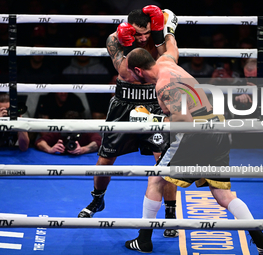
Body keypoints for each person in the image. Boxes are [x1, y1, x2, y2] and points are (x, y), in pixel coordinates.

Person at [124, 34, 263, 254]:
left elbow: (184, 120)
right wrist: (167, 30)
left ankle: (144, 240)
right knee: (222, 193)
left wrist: (152, 119)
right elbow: (172, 47)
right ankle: (261, 239)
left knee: (155, 179)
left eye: (130, 74)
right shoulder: (166, 62)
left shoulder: (164, 86)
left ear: (138, 70)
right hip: (217, 126)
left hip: (196, 133)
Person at [77, 6, 180, 238]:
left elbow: (169, 61)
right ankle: (97, 201)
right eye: (138, 34)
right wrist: (126, 43)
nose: (143, 38)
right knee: (106, 158)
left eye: (146, 33)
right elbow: (125, 72)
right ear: (127, 28)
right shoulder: (115, 39)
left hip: (154, 103)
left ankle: (171, 216)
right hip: (124, 103)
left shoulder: (156, 36)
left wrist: (160, 34)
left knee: (163, 161)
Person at [35, 111, 101, 155]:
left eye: (74, 128)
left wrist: (83, 149)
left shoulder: (85, 132)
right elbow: (40, 141)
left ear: (80, 126)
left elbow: (98, 141)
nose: (71, 132)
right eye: (69, 129)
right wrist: (49, 149)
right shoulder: (59, 132)